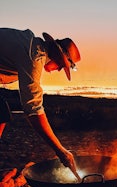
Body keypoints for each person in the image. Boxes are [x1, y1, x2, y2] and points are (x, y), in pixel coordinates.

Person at [0, 28, 81, 179]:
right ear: (56, 58)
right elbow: (33, 110)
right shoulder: (34, 57)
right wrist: (60, 150)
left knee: (1, 112)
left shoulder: (31, 44)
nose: (57, 70)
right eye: (61, 67)